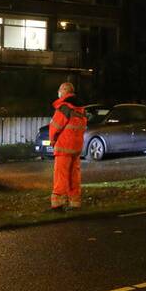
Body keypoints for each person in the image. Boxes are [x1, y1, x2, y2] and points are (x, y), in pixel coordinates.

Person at [48, 81, 87, 210]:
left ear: (65, 91)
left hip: (63, 147)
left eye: (60, 90)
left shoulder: (64, 107)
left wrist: (53, 142)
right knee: (74, 175)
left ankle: (58, 202)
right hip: (76, 148)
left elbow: (54, 128)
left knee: (61, 175)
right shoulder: (80, 108)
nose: (58, 92)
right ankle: (75, 202)